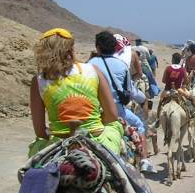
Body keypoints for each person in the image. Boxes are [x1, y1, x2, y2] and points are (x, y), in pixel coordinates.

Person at [29, 28, 125, 156]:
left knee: (36, 150)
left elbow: (40, 131)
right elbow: (112, 115)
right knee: (115, 126)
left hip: (59, 141)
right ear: (71, 48)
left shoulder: (39, 80)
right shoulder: (93, 70)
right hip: (96, 139)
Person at [88, 31, 146, 119]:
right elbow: (139, 74)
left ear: (98, 47)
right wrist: (132, 79)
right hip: (117, 106)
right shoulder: (130, 55)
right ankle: (146, 127)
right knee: (140, 123)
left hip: (94, 107)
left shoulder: (90, 64)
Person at [158, 52, 195, 120]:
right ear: (179, 60)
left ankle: (157, 119)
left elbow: (163, 81)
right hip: (179, 90)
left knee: (160, 102)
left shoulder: (168, 68)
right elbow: (186, 81)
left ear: (173, 60)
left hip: (167, 90)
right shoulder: (182, 69)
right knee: (193, 99)